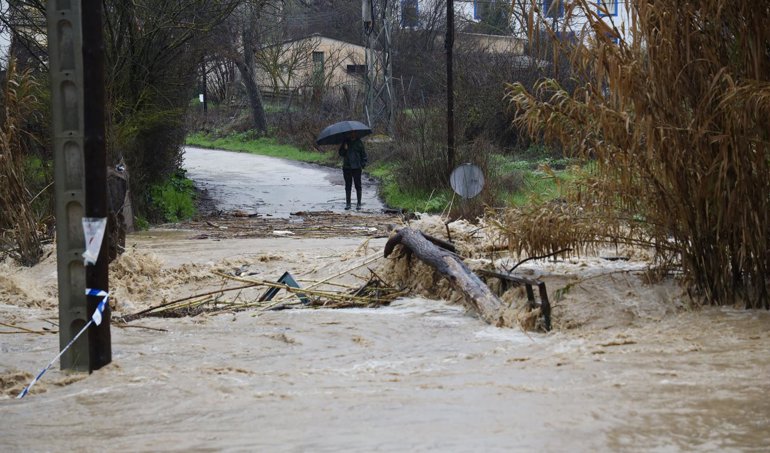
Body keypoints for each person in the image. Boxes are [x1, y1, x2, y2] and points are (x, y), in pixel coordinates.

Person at [338, 131, 368, 210]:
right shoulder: (345, 142)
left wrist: (362, 165)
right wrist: (345, 149)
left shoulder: (359, 143)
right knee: (348, 185)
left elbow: (363, 155)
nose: (352, 134)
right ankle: (348, 204)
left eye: (354, 133)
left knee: (358, 185)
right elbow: (341, 153)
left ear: (356, 133)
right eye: (351, 133)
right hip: (347, 167)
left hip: (357, 167)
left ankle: (359, 203)